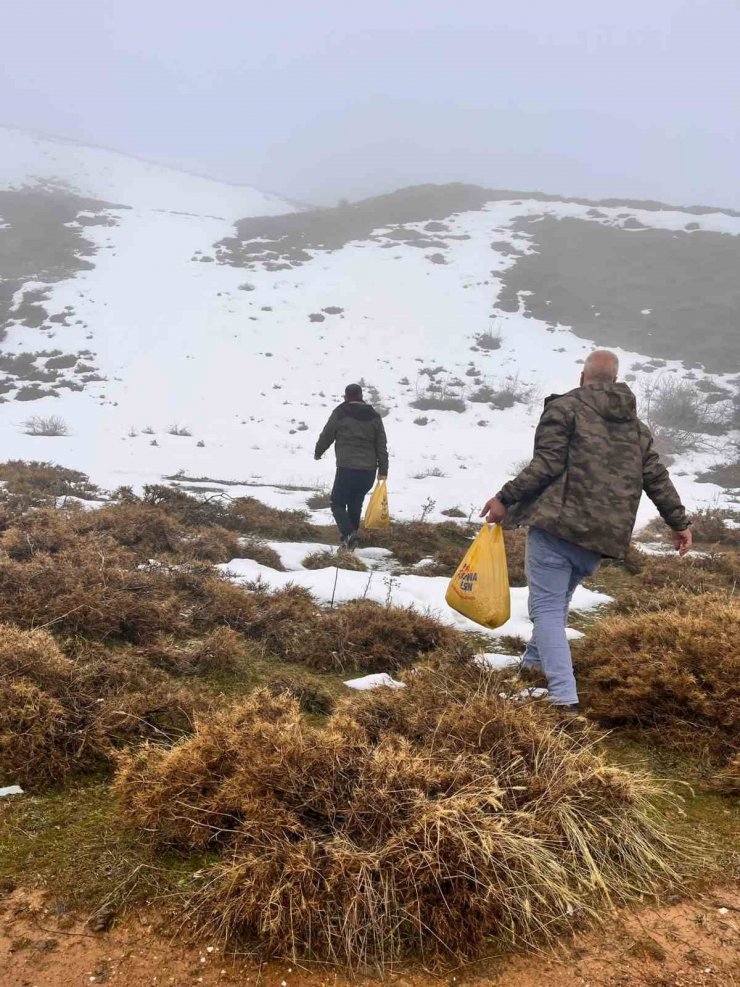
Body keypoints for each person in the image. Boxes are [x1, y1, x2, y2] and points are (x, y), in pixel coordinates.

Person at [481, 350, 692, 713]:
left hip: (557, 527)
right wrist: (679, 523)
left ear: (583, 378)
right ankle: (531, 668)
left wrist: (505, 497)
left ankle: (564, 698)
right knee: (556, 603)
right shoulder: (637, 429)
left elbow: (546, 464)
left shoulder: (565, 409)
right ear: (614, 380)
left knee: (546, 609)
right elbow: (656, 478)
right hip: (601, 538)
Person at [315, 383, 389, 550]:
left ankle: (349, 534)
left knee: (337, 503)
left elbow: (327, 434)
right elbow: (381, 444)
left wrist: (318, 452)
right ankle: (350, 543)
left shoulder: (340, 413)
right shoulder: (374, 416)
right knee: (356, 503)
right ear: (361, 396)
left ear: (346, 396)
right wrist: (383, 470)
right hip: (368, 470)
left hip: (347, 467)